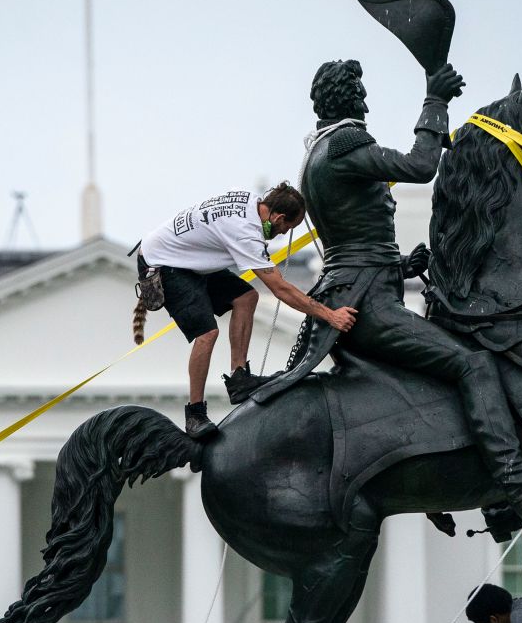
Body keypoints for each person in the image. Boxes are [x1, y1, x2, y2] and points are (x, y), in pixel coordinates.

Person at [249, 59, 522, 521]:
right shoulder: (345, 144)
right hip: (367, 307)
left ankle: (451, 484)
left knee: (436, 371)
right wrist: (436, 100)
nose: (366, 102)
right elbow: (420, 165)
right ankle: (516, 487)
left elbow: (350, 243)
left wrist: (401, 265)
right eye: (361, 93)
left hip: (358, 289)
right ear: (349, 99)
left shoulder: (316, 156)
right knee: (473, 363)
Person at [136, 183, 357, 440]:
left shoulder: (251, 201)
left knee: (246, 297)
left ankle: (239, 378)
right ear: (278, 217)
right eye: (288, 228)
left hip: (187, 257)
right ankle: (194, 414)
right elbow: (281, 289)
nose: (285, 234)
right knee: (207, 333)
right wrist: (331, 315)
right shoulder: (245, 233)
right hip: (163, 263)